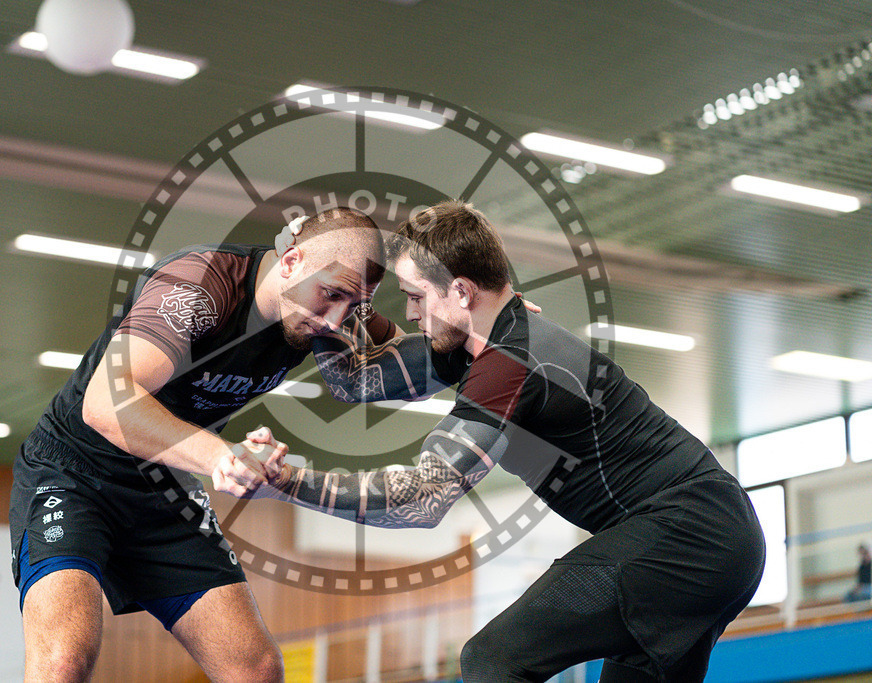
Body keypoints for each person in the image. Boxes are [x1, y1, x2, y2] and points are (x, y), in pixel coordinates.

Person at [231, 199, 767, 682]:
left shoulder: (510, 361)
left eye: (417, 297)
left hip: (686, 533)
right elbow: (356, 379)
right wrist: (328, 296)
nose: (412, 314)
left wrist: (288, 480)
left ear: (461, 291)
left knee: (493, 660)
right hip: (716, 538)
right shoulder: (485, 339)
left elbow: (421, 500)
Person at [8, 207, 397, 683]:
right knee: (63, 662)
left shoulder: (326, 308)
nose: (336, 321)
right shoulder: (198, 285)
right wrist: (221, 456)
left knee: (255, 670)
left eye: (354, 306)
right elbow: (106, 404)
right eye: (331, 296)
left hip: (164, 489)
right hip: (75, 475)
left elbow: (416, 365)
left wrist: (495, 329)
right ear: (291, 261)